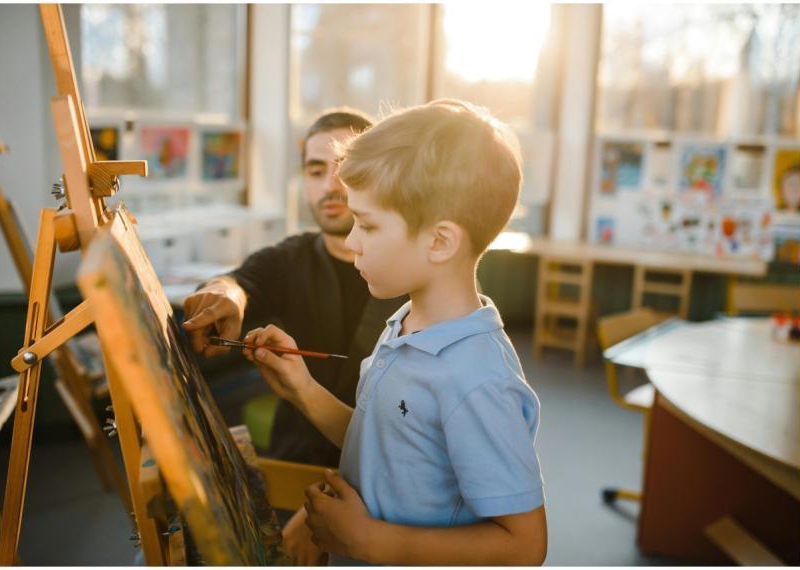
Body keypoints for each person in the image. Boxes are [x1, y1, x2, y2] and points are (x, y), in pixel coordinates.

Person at [242, 99, 547, 565]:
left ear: (440, 242)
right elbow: (383, 444)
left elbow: (525, 546)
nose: (351, 241)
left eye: (367, 224)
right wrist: (302, 388)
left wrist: (371, 542)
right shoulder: (403, 323)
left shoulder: (478, 379)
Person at [181, 108, 406, 564]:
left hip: (390, 493)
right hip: (290, 472)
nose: (329, 186)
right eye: (315, 170)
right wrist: (226, 294)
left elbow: (418, 435)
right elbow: (240, 280)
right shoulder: (292, 257)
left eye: (343, 169)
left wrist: (326, 499)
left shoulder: (413, 273)